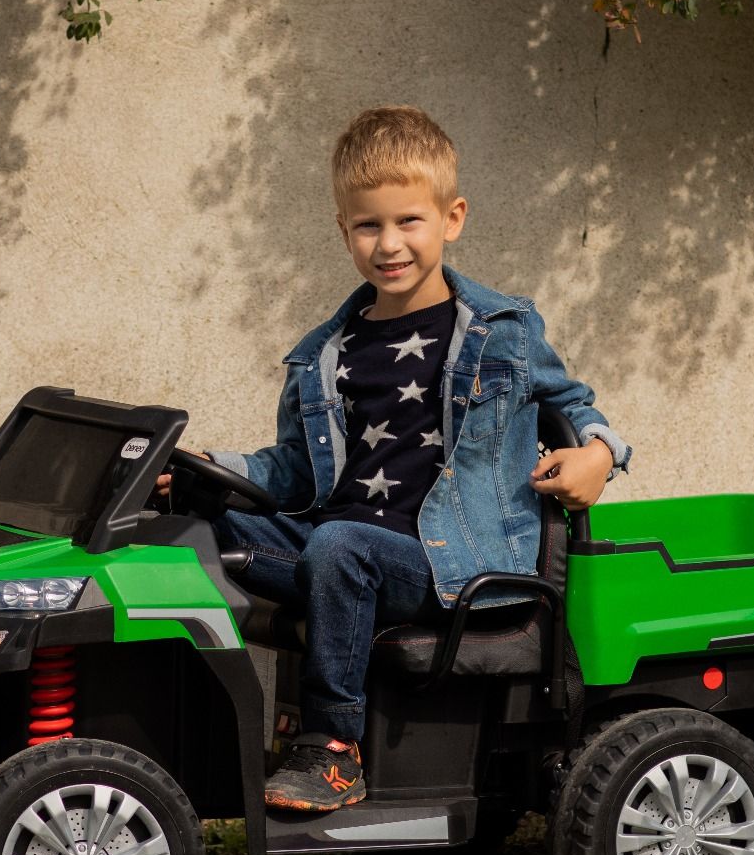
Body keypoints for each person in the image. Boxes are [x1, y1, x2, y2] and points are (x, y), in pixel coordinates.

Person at [170, 105, 631, 812]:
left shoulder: (502, 330)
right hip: (339, 550)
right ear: (343, 231)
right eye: (368, 226)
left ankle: (332, 749)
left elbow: (574, 402)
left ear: (453, 217)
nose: (389, 244)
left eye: (408, 221)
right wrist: (214, 469)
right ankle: (177, 738)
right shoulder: (324, 355)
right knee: (192, 528)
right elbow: (293, 474)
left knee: (339, 545)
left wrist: (598, 453)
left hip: (451, 564)